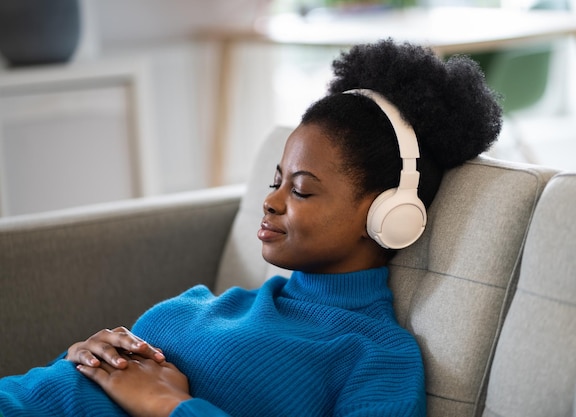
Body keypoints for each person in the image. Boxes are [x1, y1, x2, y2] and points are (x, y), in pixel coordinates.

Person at [0, 39, 501, 417]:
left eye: (301, 190)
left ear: (387, 215)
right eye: (275, 181)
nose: (270, 200)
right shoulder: (208, 304)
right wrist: (86, 359)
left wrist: (171, 406)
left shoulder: (376, 359)